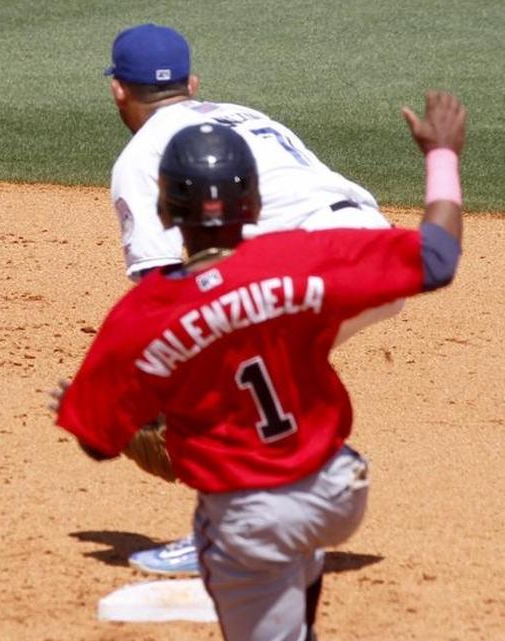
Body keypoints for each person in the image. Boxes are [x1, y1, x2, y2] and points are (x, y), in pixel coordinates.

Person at [52, 91, 466, 641]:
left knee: (234, 533)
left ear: (164, 210)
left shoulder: (142, 316)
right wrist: (442, 154)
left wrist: (117, 421)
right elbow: (437, 257)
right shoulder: (304, 262)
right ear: (252, 204)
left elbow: (97, 442)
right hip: (338, 490)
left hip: (253, 518)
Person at [103, 23, 403, 576]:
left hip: (314, 266)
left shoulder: (142, 158)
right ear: (193, 82)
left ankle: (226, 532)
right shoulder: (246, 117)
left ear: (117, 89)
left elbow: (163, 292)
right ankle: (312, 487)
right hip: (376, 253)